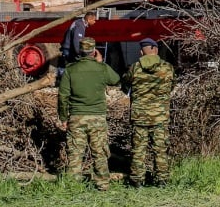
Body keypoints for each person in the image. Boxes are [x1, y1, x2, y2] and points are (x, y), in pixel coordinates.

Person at [58, 37, 120, 190]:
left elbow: (63, 96)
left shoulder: (70, 70)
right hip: (97, 118)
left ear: (80, 51)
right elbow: (116, 79)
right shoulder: (101, 68)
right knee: (99, 152)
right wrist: (100, 62)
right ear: (94, 51)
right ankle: (103, 184)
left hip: (76, 118)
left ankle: (73, 186)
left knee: (75, 153)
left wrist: (63, 117)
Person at [122, 38, 175, 187]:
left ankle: (137, 181)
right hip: (160, 115)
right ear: (156, 50)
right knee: (160, 149)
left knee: (138, 150)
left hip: (140, 116)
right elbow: (172, 85)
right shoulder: (168, 68)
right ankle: (162, 180)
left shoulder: (135, 68)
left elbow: (125, 84)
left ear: (141, 52)